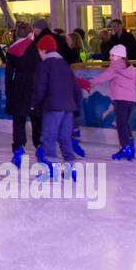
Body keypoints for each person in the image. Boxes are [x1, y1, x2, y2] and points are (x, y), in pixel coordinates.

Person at [80, 43, 136, 161]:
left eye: (113, 56)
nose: (110, 58)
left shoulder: (115, 67)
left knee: (121, 124)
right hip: (130, 101)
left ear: (120, 56)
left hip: (121, 100)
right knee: (124, 123)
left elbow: (104, 77)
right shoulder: (130, 68)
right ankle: (130, 146)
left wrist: (90, 83)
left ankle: (125, 147)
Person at [31, 34, 82, 179]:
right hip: (69, 108)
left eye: (39, 51)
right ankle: (71, 169)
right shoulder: (64, 64)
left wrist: (34, 104)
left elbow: (40, 87)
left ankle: (50, 170)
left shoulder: (45, 65)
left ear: (42, 50)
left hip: (53, 107)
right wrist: (76, 107)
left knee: (48, 137)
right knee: (64, 138)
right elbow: (76, 88)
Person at [4, 21, 40, 168]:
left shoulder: (11, 50)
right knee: (37, 118)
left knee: (18, 120)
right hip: (34, 87)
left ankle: (19, 148)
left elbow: (8, 74)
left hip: (18, 87)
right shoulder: (35, 48)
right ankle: (40, 147)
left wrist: (8, 91)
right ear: (30, 34)